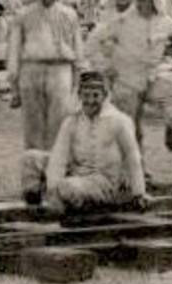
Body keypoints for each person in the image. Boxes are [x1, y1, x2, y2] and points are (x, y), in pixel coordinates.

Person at [22, 69, 148, 213]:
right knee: (30, 159)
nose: (90, 101)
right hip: (77, 173)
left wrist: (139, 192)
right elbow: (59, 157)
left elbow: (133, 157)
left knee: (68, 187)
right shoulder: (72, 121)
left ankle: (77, 209)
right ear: (80, 96)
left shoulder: (119, 121)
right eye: (86, 95)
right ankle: (35, 210)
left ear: (104, 96)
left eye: (96, 96)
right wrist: (53, 188)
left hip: (105, 181)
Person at [91, 0, 172, 148]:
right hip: (126, 79)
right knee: (129, 127)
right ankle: (135, 169)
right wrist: (105, 67)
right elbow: (95, 42)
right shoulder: (122, 20)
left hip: (152, 77)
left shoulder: (164, 21)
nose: (145, 0)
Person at [7, 0, 84, 152]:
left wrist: (77, 85)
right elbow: (14, 51)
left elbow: (78, 52)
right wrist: (14, 86)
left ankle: (56, 172)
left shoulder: (69, 15)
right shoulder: (23, 15)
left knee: (60, 124)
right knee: (33, 126)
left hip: (60, 71)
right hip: (31, 70)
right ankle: (34, 173)